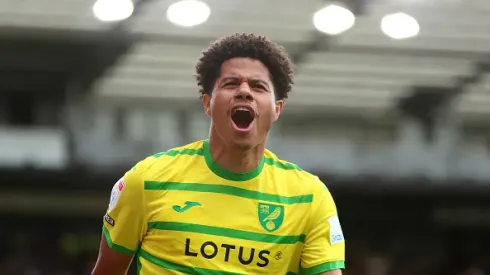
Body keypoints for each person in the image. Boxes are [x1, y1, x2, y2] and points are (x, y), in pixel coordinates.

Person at [92, 33, 345, 275]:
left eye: (258, 86)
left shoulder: (309, 198)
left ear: (277, 109)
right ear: (207, 103)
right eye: (231, 83)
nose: (244, 91)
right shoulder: (147, 181)